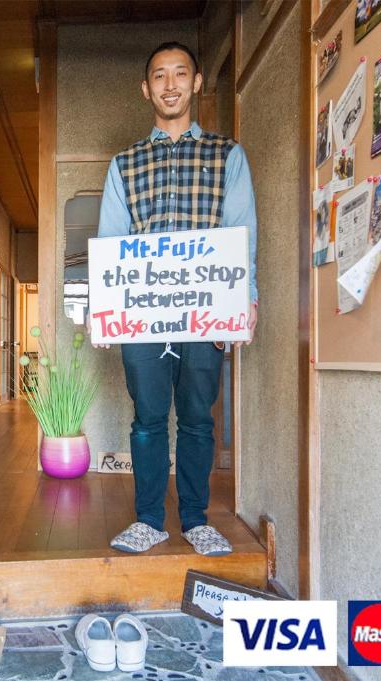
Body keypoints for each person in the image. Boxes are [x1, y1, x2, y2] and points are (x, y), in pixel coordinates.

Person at [95, 41, 258, 556]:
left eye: (180, 74)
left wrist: (244, 301)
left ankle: (194, 518)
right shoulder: (124, 164)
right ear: (146, 89)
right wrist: (107, 311)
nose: (170, 84)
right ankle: (148, 519)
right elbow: (111, 241)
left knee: (196, 417)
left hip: (206, 312)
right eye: (159, 75)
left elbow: (241, 233)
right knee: (146, 417)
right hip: (141, 317)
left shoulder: (227, 154)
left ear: (196, 82)